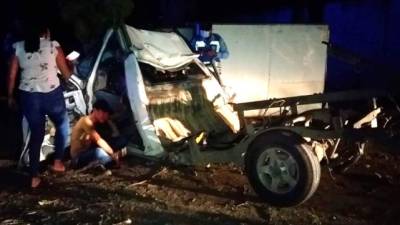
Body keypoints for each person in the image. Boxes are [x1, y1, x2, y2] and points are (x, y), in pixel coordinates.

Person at [7, 19, 72, 188]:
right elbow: (66, 74)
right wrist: (71, 68)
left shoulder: (19, 47)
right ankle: (58, 162)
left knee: (37, 135)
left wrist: (9, 96)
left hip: (29, 96)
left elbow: (12, 75)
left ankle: (34, 177)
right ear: (45, 32)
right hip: (52, 95)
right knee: (63, 126)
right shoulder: (52, 46)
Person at [69, 99, 127, 169]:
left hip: (90, 150)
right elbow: (98, 140)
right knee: (99, 152)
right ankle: (111, 160)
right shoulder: (86, 121)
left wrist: (109, 120)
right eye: (103, 112)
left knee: (121, 140)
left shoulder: (97, 122)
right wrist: (112, 153)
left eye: (106, 113)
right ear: (95, 110)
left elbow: (114, 134)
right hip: (78, 158)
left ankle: (109, 159)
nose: (105, 115)